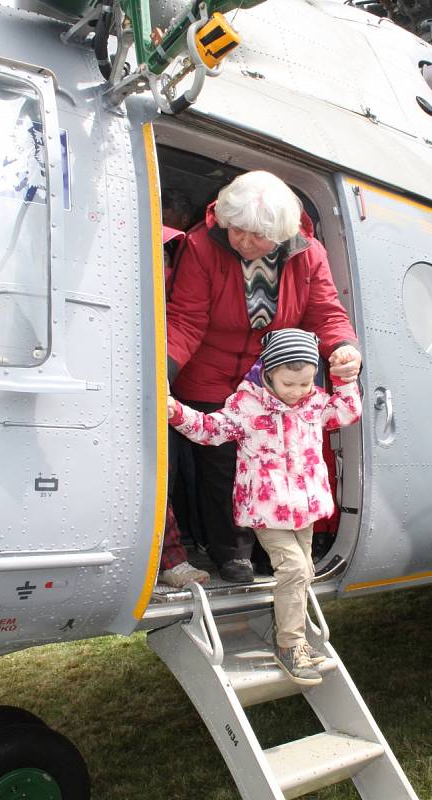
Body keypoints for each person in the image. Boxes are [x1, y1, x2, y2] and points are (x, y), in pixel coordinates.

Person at [166, 170, 362, 584]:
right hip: (210, 377)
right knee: (222, 468)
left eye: (256, 235)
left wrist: (342, 346)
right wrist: (163, 370)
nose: (243, 241)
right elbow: (185, 319)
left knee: (270, 467)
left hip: (270, 385)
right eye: (236, 229)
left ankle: (268, 551)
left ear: (280, 233)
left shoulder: (309, 254)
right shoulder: (202, 246)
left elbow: (326, 312)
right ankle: (232, 553)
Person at [167, 328, 362, 685]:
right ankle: (290, 645)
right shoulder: (246, 407)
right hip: (266, 510)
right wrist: (175, 412)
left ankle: (297, 639)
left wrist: (342, 379)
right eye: (289, 384)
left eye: (306, 383)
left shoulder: (313, 403)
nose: (298, 392)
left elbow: (347, 411)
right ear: (267, 372)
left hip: (304, 509)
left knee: (303, 570)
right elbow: (209, 430)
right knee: (294, 569)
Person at [157, 191, 209, 589]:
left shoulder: (177, 248)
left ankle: (174, 555)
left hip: (165, 374)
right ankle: (169, 556)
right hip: (137, 372)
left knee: (167, 469)